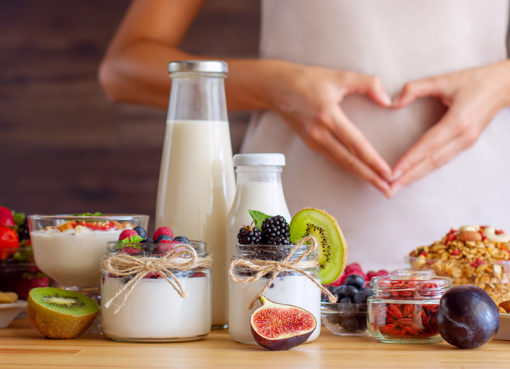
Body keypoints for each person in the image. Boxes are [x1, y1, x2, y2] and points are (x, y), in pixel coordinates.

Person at [99, 0, 510, 270]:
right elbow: (124, 68)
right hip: (285, 239)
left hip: (481, 236)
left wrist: (500, 83)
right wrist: (275, 84)